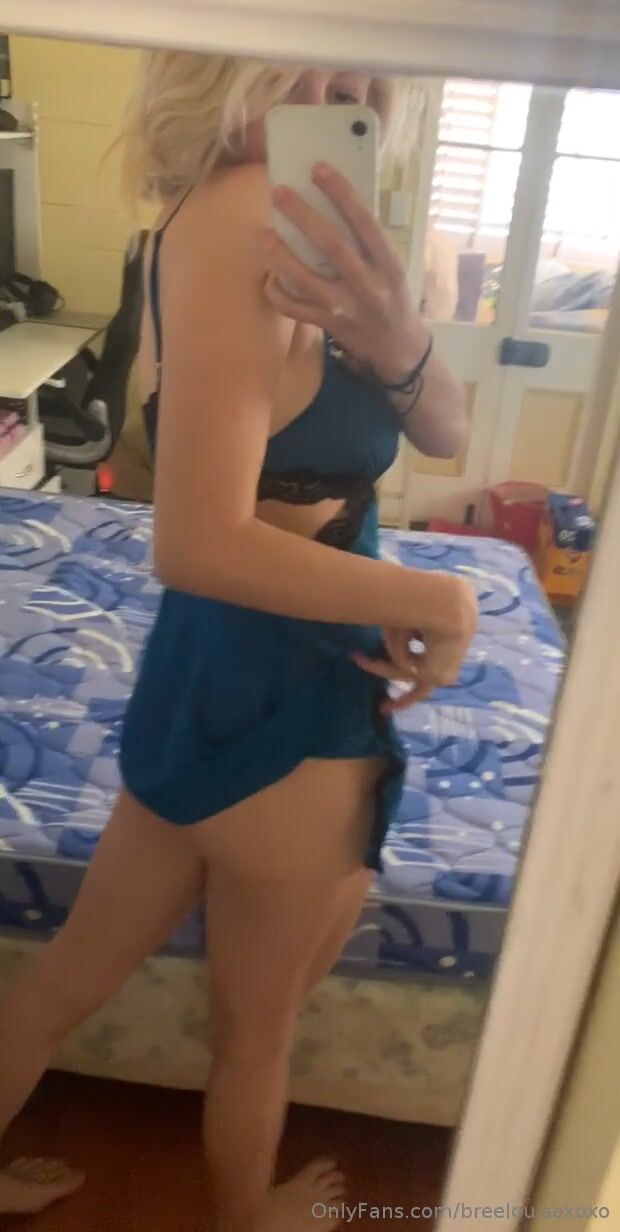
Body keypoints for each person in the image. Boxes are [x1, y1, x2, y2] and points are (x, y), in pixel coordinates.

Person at [0, 54, 476, 1231]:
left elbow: (448, 432)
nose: (329, 91)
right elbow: (197, 540)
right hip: (290, 705)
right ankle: (244, 1215)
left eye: (354, 69)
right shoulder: (245, 211)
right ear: (224, 63)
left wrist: (397, 337)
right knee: (254, 1036)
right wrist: (434, 597)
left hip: (199, 678)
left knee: (64, 980)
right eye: (291, 61)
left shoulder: (291, 220)